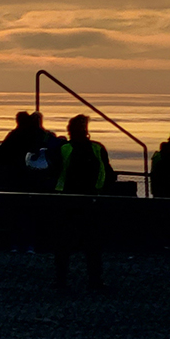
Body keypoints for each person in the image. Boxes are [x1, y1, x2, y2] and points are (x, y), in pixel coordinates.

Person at [54, 114, 114, 290]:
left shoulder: (65, 149)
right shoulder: (96, 148)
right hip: (89, 200)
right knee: (91, 245)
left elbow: (55, 171)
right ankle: (93, 280)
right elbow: (107, 173)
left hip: (69, 201)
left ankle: (62, 281)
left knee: (66, 244)